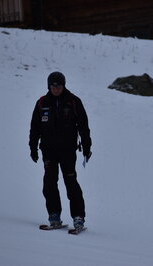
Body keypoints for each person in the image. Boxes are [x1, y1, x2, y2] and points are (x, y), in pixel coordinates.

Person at [29, 71, 92, 230]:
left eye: (59, 86)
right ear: (49, 86)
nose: (56, 89)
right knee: (49, 182)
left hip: (68, 150)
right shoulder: (42, 103)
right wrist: (33, 147)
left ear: (64, 86)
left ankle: (78, 217)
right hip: (48, 150)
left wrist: (86, 146)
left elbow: (83, 126)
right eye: (53, 86)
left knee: (71, 182)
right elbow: (35, 128)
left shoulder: (73, 102)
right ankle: (54, 215)